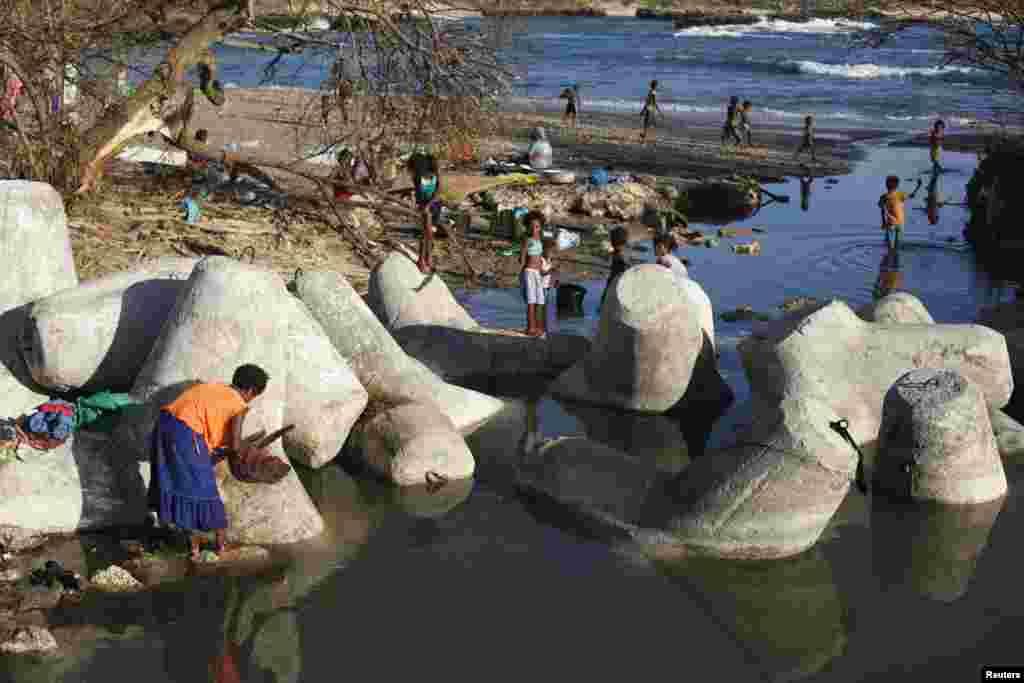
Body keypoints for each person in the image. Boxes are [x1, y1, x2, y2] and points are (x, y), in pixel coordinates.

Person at [148, 364, 270, 561]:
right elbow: (236, 445)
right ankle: (220, 546)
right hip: (186, 433)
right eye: (253, 396)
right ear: (250, 391)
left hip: (164, 425)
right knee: (204, 488)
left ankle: (185, 542)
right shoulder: (238, 404)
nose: (250, 399)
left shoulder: (213, 388)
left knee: (174, 481)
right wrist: (247, 451)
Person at [408, 152, 441, 274]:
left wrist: (428, 205)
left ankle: (427, 259)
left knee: (430, 233)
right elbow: (419, 194)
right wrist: (423, 206)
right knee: (425, 234)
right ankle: (423, 260)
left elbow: (438, 192)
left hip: (434, 206)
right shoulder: (417, 177)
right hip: (425, 207)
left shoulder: (434, 175)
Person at [520, 210, 547, 337]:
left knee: (540, 300)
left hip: (538, 273)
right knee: (531, 300)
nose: (534, 229)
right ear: (527, 227)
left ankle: (539, 327)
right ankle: (530, 328)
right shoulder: (527, 239)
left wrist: (545, 271)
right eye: (531, 227)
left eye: (536, 226)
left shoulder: (540, 240)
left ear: (540, 227)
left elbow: (541, 256)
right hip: (529, 272)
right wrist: (521, 274)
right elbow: (522, 257)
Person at [878, 175, 922, 251]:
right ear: (897, 186)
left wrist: (883, 222)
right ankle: (894, 258)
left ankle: (890, 256)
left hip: (892, 223)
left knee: (890, 245)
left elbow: (882, 209)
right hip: (899, 223)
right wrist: (918, 187)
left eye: (887, 183)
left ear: (887, 185)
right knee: (895, 245)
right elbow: (912, 195)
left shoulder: (885, 196)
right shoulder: (899, 195)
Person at [600, 226, 630, 309]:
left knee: (605, 301)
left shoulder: (618, 254)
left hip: (614, 281)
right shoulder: (620, 253)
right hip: (616, 281)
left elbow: (607, 258)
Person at [540, 238, 559, 336]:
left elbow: (551, 274)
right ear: (544, 250)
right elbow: (541, 273)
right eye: (550, 252)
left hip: (548, 287)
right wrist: (550, 271)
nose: (552, 254)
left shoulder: (549, 261)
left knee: (549, 309)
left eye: (553, 252)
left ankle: (548, 329)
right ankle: (542, 328)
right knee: (542, 309)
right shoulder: (541, 260)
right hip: (542, 288)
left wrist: (555, 280)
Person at [640, 80, 662, 145]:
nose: (657, 86)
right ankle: (645, 138)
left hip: (649, 109)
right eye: (656, 85)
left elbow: (647, 102)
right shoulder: (653, 92)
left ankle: (644, 137)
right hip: (651, 109)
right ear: (655, 86)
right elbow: (654, 103)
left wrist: (643, 110)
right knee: (651, 124)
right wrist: (659, 110)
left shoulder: (650, 92)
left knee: (647, 124)